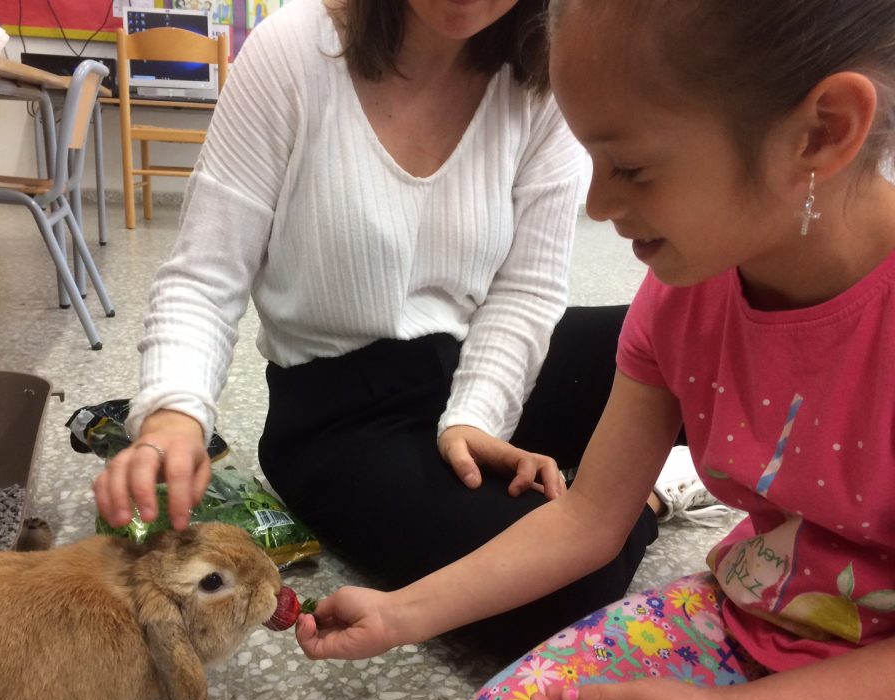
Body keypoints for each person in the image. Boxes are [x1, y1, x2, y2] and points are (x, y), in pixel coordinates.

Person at [294, 0, 895, 700]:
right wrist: (400, 614)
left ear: (822, 131)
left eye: (632, 167)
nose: (598, 205)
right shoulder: (684, 293)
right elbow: (588, 518)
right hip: (757, 611)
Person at [92, 0, 660, 659]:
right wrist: (174, 416)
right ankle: (650, 496)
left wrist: (476, 417)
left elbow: (527, 290)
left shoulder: (540, 78)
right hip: (345, 419)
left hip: (481, 358)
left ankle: (609, 476)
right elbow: (204, 273)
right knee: (573, 581)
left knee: (685, 342)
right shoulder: (291, 51)